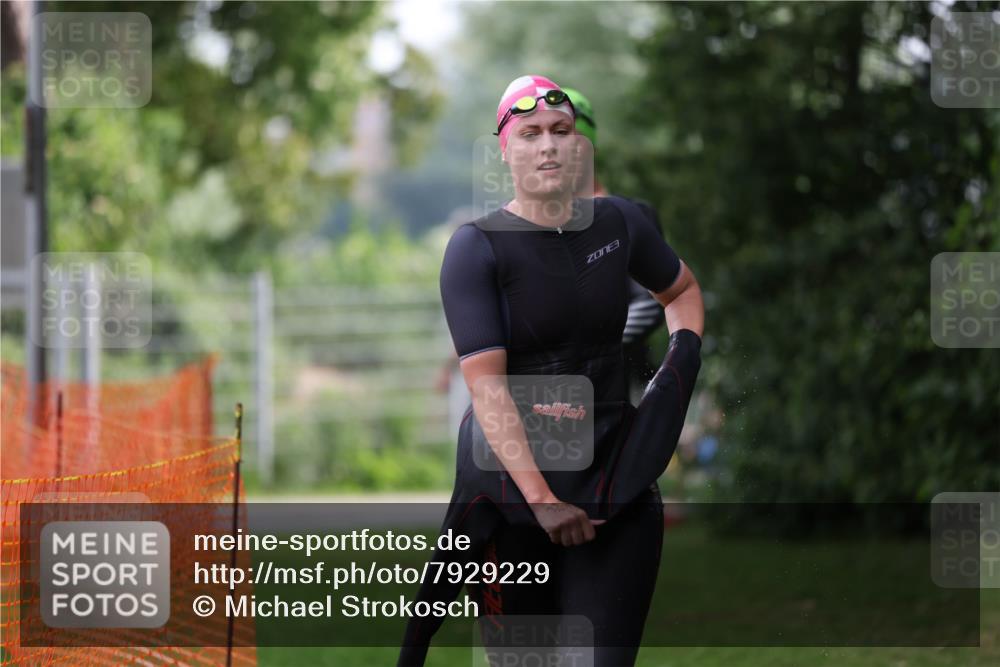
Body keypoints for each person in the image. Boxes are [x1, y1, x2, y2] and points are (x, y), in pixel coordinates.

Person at [398, 75, 704, 666]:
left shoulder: (620, 223)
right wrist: (541, 502)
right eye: (531, 133)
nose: (548, 146)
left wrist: (682, 355)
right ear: (505, 150)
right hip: (514, 496)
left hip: (614, 486)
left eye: (561, 132)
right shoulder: (476, 247)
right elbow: (486, 389)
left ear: (578, 146)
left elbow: (682, 289)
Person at [562, 86, 669, 402]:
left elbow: (653, 302)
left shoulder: (631, 216)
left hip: (623, 390)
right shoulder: (537, 229)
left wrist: (587, 353)